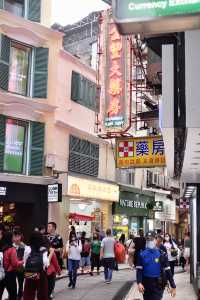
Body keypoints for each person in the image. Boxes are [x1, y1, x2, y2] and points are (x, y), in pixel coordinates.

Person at [136, 232, 176, 300]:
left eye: (152, 239)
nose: (150, 241)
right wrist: (139, 283)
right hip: (146, 283)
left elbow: (168, 270)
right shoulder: (142, 254)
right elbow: (139, 270)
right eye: (148, 239)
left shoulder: (162, 254)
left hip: (158, 283)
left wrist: (173, 286)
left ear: (155, 240)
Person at [23, 231, 53, 300]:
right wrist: (51, 253)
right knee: (42, 294)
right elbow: (46, 263)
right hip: (41, 273)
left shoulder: (27, 249)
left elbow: (24, 262)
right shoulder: (43, 249)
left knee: (28, 294)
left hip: (29, 273)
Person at [0, 231, 24, 300]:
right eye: (13, 236)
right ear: (10, 238)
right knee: (13, 294)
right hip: (10, 274)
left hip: (1, 274)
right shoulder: (11, 249)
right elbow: (15, 264)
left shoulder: (2, 248)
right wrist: (22, 261)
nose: (14, 238)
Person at [13, 229, 30, 300]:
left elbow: (25, 258)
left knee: (20, 283)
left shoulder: (24, 246)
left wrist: (22, 263)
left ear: (20, 236)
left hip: (21, 268)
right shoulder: (11, 246)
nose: (16, 238)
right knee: (13, 283)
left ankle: (19, 295)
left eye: (18, 236)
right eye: (15, 236)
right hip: (13, 268)